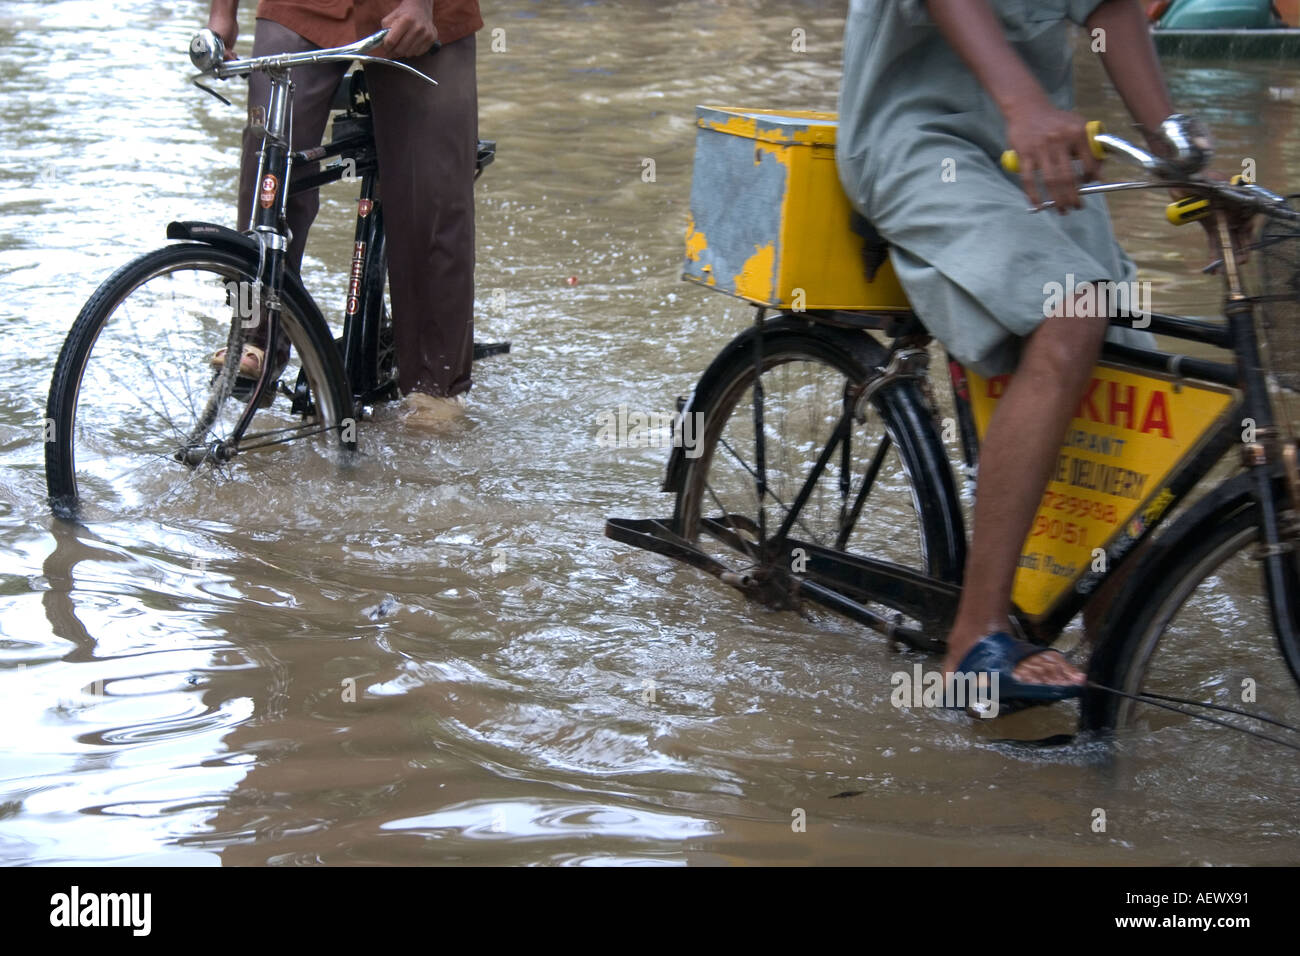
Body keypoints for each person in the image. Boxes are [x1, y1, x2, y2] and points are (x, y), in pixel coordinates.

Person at [836, 0, 1231, 702]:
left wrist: (1177, 153)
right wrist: (1022, 103)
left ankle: (1110, 623)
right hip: (920, 146)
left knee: (1125, 352)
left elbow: (1111, 12)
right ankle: (974, 638)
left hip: (1041, 158)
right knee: (1071, 311)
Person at [206, 0, 482, 426]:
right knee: (268, 159)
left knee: (431, 192)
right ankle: (255, 336)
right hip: (301, 6)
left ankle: (435, 385)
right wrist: (222, 15)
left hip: (421, 11)